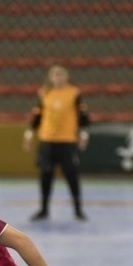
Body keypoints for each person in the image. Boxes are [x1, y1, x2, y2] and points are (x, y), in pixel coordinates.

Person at [23, 65, 90, 221]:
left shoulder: (74, 93)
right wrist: (28, 134)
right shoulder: (44, 93)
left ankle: (78, 210)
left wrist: (84, 134)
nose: (57, 77)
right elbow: (37, 117)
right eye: (54, 74)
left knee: (72, 175)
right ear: (50, 77)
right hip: (47, 140)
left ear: (66, 77)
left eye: (60, 74)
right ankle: (44, 210)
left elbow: (83, 116)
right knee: (46, 175)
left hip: (67, 141)